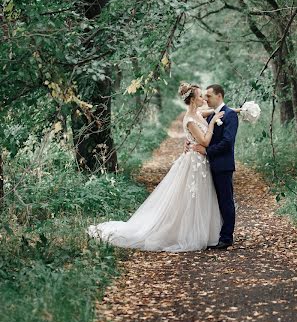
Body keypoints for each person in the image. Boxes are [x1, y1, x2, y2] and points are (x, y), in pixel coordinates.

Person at [87, 83, 224, 252]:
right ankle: (186, 233)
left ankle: (205, 232)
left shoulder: (197, 113)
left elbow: (211, 112)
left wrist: (234, 111)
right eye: (200, 96)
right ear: (193, 100)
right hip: (194, 162)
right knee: (189, 198)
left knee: (199, 197)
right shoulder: (189, 119)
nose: (204, 98)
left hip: (200, 162)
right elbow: (204, 141)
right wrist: (211, 126)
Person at [190, 84, 239, 250]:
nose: (206, 99)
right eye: (204, 96)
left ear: (219, 96)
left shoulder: (230, 115)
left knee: (226, 201)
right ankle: (216, 234)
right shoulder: (212, 115)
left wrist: (207, 151)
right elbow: (201, 133)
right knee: (215, 202)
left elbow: (227, 142)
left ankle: (227, 237)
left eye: (209, 96)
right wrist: (190, 142)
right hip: (209, 166)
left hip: (223, 164)